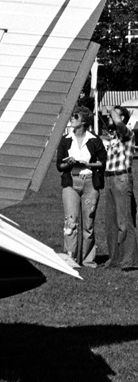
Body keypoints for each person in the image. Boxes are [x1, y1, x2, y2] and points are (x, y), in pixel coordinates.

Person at [55, 106, 106, 268]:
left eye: (75, 116)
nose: (72, 119)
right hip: (71, 182)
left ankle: (88, 259)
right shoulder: (65, 140)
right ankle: (70, 259)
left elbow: (103, 161)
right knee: (71, 222)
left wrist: (88, 163)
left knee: (88, 224)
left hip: (90, 182)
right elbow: (59, 165)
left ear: (84, 121)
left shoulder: (94, 140)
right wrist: (67, 164)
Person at [99, 105, 138, 269]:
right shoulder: (114, 137)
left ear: (122, 118)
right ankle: (114, 259)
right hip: (109, 178)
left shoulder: (127, 133)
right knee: (111, 223)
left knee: (124, 221)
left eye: (113, 115)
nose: (109, 117)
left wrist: (112, 110)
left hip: (121, 178)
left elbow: (117, 120)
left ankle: (130, 260)